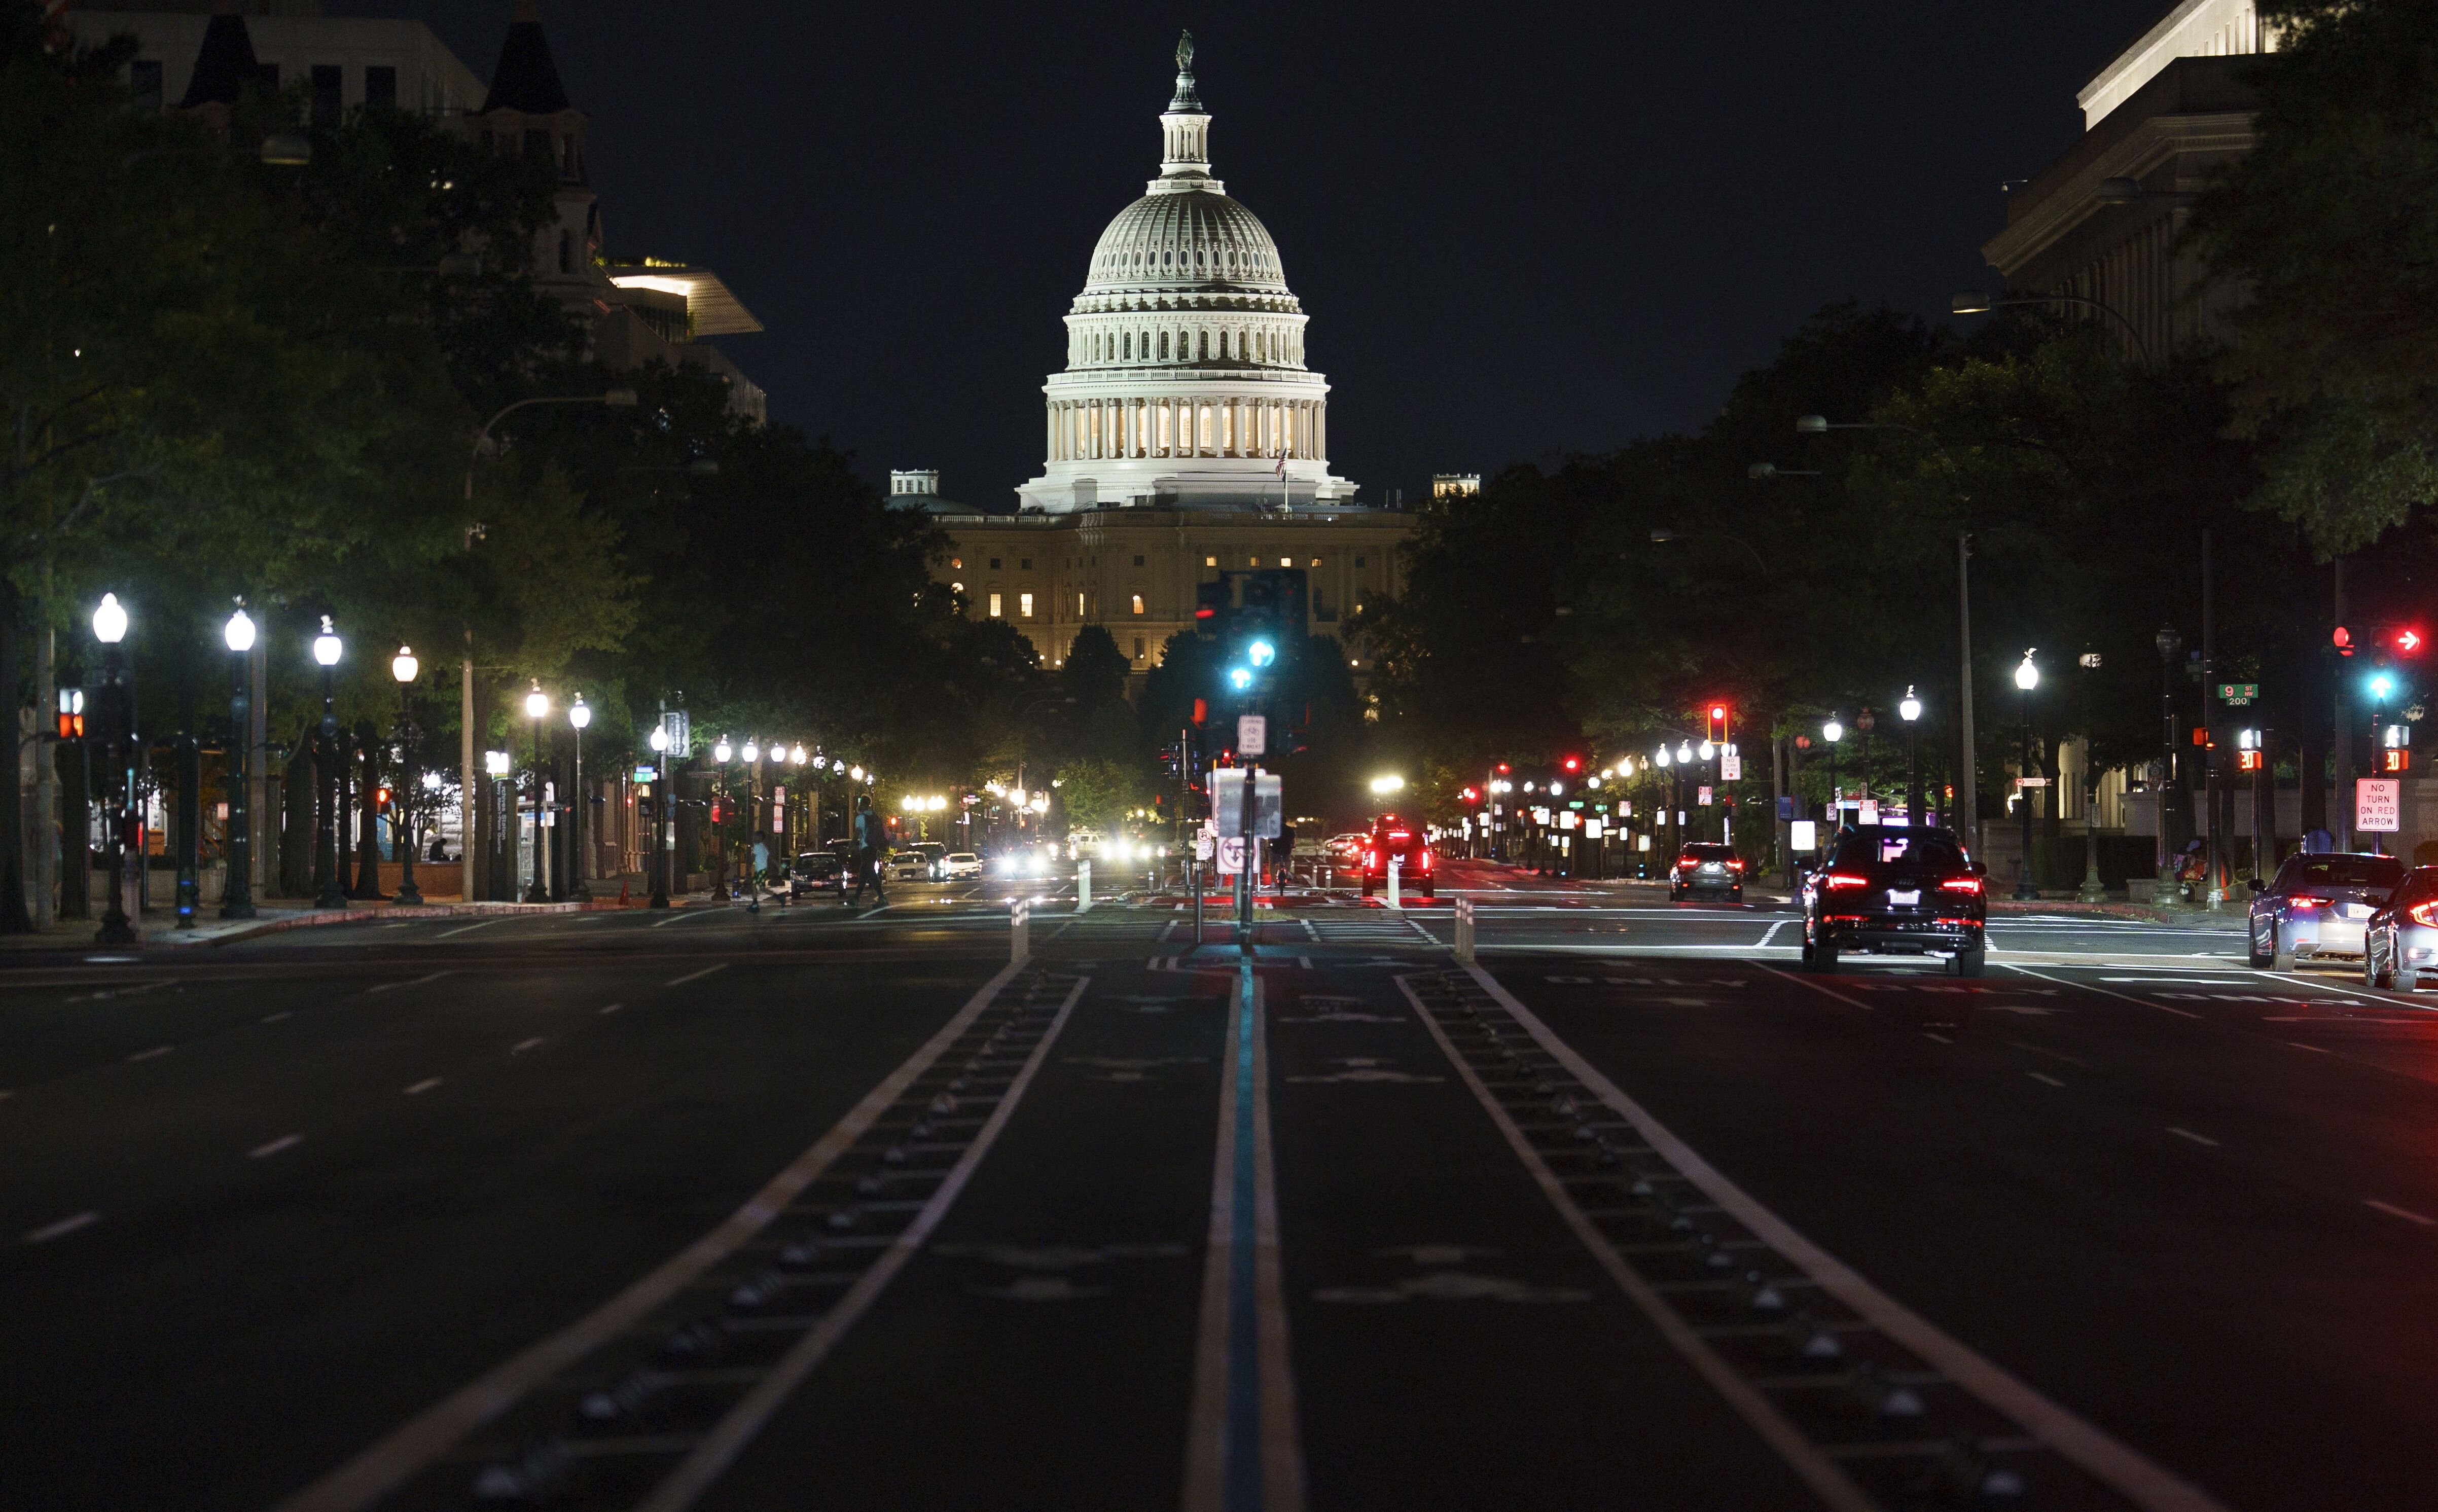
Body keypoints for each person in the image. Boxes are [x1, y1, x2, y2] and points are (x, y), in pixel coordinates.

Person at [849, 794, 886, 907]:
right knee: (864, 874)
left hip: (865, 848)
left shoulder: (860, 818)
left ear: (862, 804)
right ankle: (856, 898)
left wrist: (852, 844)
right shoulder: (875, 816)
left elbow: (857, 833)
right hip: (874, 847)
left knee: (870, 872)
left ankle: (882, 897)